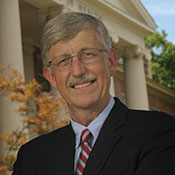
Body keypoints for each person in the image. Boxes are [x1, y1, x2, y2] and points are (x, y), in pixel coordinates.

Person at [12, 12, 175, 175]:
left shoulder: (159, 132)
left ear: (111, 62)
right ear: (51, 78)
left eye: (88, 54)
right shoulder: (31, 157)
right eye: (63, 61)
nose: (77, 71)